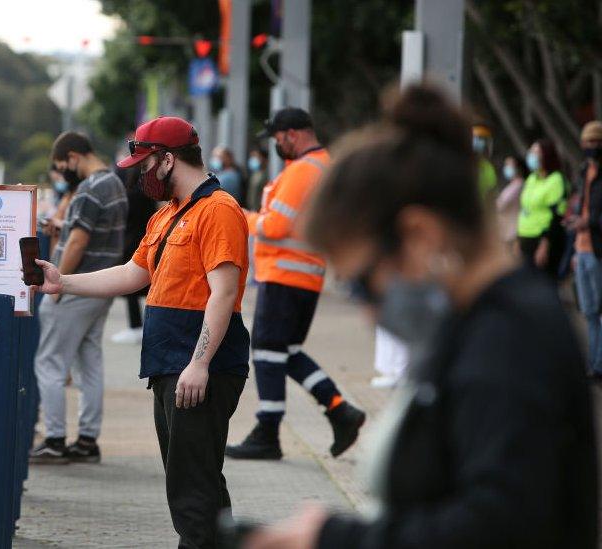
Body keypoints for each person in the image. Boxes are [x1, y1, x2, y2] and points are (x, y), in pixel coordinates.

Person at [246, 84, 597, 549]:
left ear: (419, 236)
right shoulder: (476, 326)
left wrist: (333, 537)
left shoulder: (507, 340)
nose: (368, 314)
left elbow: (500, 524)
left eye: (362, 284)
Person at [34, 116, 250, 546]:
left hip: (196, 368)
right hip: (172, 364)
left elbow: (223, 293)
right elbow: (134, 273)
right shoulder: (168, 215)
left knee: (192, 486)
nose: (141, 175)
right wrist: (64, 282)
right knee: (194, 477)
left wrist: (199, 364)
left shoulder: (218, 210)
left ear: (168, 160)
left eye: (145, 165)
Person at [226, 108, 365, 461]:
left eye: (276, 138)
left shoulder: (304, 170)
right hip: (301, 275)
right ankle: (338, 410)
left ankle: (268, 432)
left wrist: (241, 216)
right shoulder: (318, 166)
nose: (275, 144)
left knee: (269, 350)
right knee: (282, 351)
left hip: (286, 276)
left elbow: (274, 227)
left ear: (291, 134)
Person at [29, 131, 128, 464]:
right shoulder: (114, 184)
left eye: (62, 165)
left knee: (49, 363)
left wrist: (59, 285)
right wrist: (63, 225)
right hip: (103, 285)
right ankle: (87, 440)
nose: (63, 172)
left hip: (77, 287)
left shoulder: (88, 190)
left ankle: (55, 440)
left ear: (73, 157)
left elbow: (78, 242)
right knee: (90, 364)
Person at [111, 136, 157, 345]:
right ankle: (149, 325)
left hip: (130, 240)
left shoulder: (129, 194)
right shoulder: (147, 192)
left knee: (130, 284)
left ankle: (136, 325)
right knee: (150, 284)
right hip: (146, 236)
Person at [568, 120, 602, 379]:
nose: (592, 146)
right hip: (582, 249)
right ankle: (593, 364)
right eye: (588, 142)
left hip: (598, 250)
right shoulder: (583, 172)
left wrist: (587, 222)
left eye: (597, 142)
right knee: (588, 311)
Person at [517, 139, 568, 280]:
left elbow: (558, 216)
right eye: (531, 151)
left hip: (543, 240)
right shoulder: (532, 178)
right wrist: (518, 238)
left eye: (536, 152)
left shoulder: (556, 180)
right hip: (526, 239)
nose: (531, 155)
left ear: (546, 155)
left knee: (544, 283)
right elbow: (525, 209)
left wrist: (545, 244)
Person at [496, 154, 527, 251]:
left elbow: (501, 205)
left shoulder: (520, 185)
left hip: (514, 231)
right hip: (507, 231)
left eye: (510, 165)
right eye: (506, 165)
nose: (507, 168)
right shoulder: (511, 185)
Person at [473, 123, 498, 201]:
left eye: (484, 139)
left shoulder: (488, 168)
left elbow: (491, 193)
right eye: (479, 138)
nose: (482, 143)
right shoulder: (461, 161)